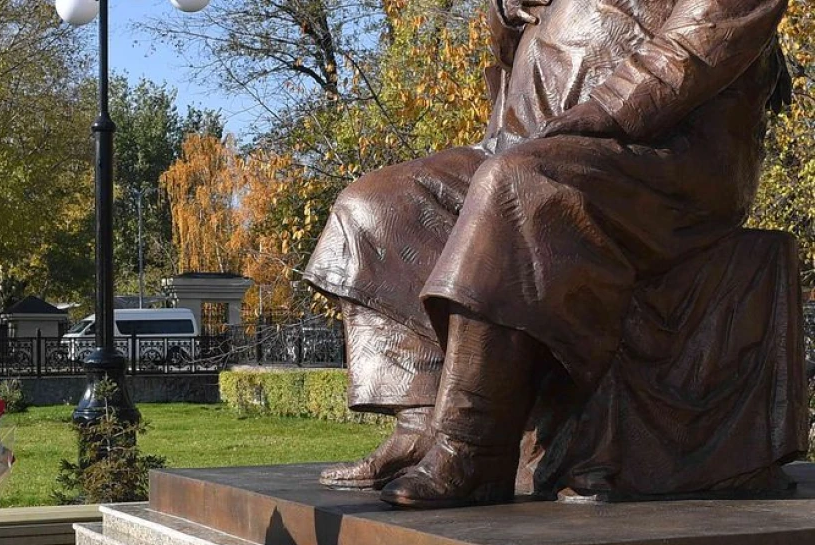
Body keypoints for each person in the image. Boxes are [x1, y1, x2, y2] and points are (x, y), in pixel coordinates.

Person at [305, 0, 802, 506]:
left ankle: (473, 447)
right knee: (375, 205)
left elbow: (703, 40)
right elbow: (506, 48)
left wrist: (607, 110)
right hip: (532, 137)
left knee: (517, 186)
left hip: (664, 156)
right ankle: (421, 419)